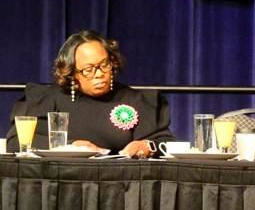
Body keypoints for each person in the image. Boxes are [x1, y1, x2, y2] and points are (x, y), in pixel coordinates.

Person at [6, 30, 175, 157]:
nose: (99, 73)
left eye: (104, 64)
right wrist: (70, 146)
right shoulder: (49, 99)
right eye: (88, 69)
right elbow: (16, 141)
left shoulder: (135, 100)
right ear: (71, 72)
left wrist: (147, 145)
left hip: (120, 186)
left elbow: (165, 143)